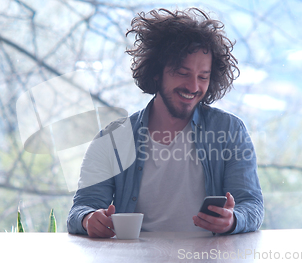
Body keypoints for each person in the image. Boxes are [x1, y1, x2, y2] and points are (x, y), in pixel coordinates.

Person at [67, 7, 263, 237]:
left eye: (203, 77)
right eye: (182, 72)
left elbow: (252, 205)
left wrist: (233, 220)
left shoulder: (229, 131)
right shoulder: (112, 140)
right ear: (157, 72)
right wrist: (89, 219)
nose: (193, 86)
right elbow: (80, 209)